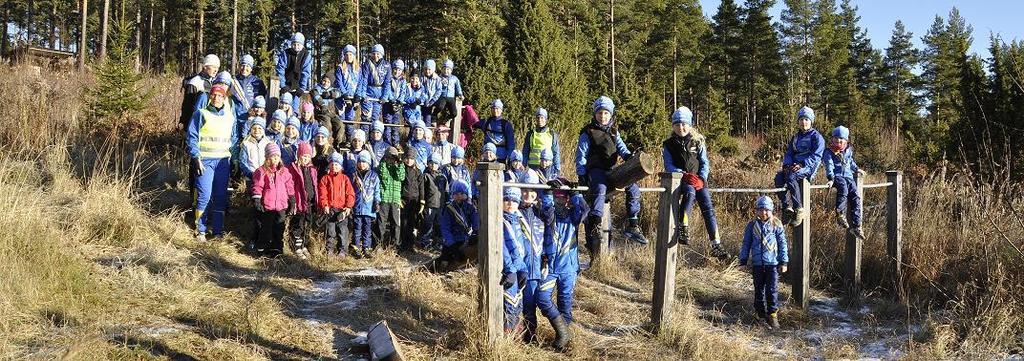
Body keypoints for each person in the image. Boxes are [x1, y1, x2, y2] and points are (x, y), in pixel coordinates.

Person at [575, 96, 647, 248]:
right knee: (600, 189)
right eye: (600, 113)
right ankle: (596, 224)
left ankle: (632, 224)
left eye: (606, 113)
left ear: (611, 114)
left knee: (633, 187)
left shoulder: (614, 131)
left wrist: (629, 157)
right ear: (595, 114)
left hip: (611, 169)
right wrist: (581, 174)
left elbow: (621, 148)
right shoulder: (588, 132)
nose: (603, 116)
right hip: (595, 169)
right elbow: (581, 155)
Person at [662, 107, 728, 258]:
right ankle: (683, 226)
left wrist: (702, 178)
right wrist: (683, 175)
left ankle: (716, 243)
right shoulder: (669, 144)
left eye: (684, 124)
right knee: (689, 193)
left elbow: (704, 162)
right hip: (682, 181)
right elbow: (668, 164)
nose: (681, 127)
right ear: (673, 126)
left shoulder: (698, 141)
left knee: (708, 208)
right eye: (677, 124)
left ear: (690, 124)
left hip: (698, 180)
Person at [186, 83, 238, 242]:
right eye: (214, 95)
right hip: (205, 162)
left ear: (224, 99)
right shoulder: (201, 114)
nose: (217, 98)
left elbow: (234, 139)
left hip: (223, 162)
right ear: (210, 97)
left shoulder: (230, 117)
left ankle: (217, 232)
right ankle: (200, 230)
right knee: (204, 196)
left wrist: (234, 158)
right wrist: (196, 157)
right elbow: (192, 137)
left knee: (220, 197)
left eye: (220, 96)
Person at [738, 196, 789, 330]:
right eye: (760, 209)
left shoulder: (776, 224)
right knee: (758, 290)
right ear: (756, 210)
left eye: (766, 210)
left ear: (771, 210)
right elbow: (746, 243)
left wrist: (783, 261)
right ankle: (760, 315)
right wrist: (743, 260)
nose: (763, 213)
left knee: (772, 290)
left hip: (772, 264)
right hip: (757, 264)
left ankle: (772, 315)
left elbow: (782, 244)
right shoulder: (752, 225)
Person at [775, 106, 825, 226]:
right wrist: (786, 164)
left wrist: (802, 164)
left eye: (806, 119)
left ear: (811, 121)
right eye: (801, 119)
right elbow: (789, 153)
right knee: (779, 178)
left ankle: (799, 209)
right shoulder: (795, 137)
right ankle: (787, 207)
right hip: (793, 165)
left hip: (808, 166)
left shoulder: (816, 136)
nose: (804, 122)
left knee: (791, 177)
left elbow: (817, 156)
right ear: (798, 121)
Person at [547, 184, 588, 327]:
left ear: (567, 199)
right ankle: (560, 328)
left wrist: (577, 195)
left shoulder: (572, 215)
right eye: (556, 197)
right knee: (543, 298)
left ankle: (565, 334)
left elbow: (584, 211)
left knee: (565, 301)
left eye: (562, 197)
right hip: (550, 267)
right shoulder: (549, 214)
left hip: (569, 267)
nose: (559, 200)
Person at [252, 142, 295, 257]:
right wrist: (257, 198)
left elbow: (289, 186)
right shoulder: (261, 171)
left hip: (281, 206)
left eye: (277, 156)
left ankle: (277, 249)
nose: (275, 159)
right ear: (267, 157)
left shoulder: (284, 171)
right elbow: (258, 186)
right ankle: (262, 248)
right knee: (266, 228)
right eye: (272, 156)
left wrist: (292, 198)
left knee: (279, 228)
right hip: (268, 206)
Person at [823, 126, 865, 239]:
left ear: (846, 140)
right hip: (837, 176)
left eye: (841, 138)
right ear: (832, 139)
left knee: (856, 197)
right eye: (836, 138)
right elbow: (829, 165)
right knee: (843, 188)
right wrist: (831, 178)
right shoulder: (829, 152)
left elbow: (850, 162)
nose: (838, 141)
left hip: (849, 177)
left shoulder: (848, 151)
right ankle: (840, 214)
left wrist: (856, 169)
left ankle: (856, 226)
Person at [434, 179, 478, 270]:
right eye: (456, 194)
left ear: (466, 194)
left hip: (466, 238)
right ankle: (441, 270)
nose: (459, 196)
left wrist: (475, 233)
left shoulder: (471, 208)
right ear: (452, 195)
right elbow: (445, 228)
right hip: (453, 240)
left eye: (462, 194)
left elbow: (476, 222)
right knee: (445, 259)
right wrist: (452, 245)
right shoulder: (449, 209)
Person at [500, 187, 527, 334]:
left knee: (518, 301)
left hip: (518, 267)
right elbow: (502, 248)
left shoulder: (517, 220)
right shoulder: (500, 220)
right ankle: (506, 335)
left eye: (514, 201)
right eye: (507, 200)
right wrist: (510, 269)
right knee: (509, 302)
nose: (510, 203)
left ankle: (516, 334)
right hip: (507, 269)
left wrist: (523, 269)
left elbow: (520, 249)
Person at [318, 152, 355, 258]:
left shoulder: (345, 179)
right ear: (329, 165)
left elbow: (350, 194)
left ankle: (343, 250)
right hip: (330, 209)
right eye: (332, 164)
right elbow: (322, 193)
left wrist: (348, 206)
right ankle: (330, 249)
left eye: (337, 164)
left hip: (342, 210)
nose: (334, 166)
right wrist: (325, 205)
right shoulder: (325, 179)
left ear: (341, 166)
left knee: (343, 231)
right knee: (331, 231)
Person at [287, 142, 318, 260]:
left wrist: (316, 200)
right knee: (298, 224)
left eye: (308, 157)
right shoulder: (293, 168)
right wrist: (292, 200)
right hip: (299, 202)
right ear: (299, 155)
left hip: (310, 202)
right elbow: (290, 185)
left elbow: (314, 185)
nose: (305, 159)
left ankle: (304, 244)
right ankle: (297, 246)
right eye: (303, 156)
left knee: (308, 224)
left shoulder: (312, 169)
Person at [351, 151, 380, 258]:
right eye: (360, 162)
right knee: (357, 228)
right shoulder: (354, 175)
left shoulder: (374, 176)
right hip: (357, 207)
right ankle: (356, 248)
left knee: (367, 229)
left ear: (368, 163)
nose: (362, 164)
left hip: (369, 208)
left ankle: (367, 248)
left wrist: (377, 202)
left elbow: (377, 191)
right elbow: (351, 191)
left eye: (364, 162)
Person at [180, 54, 219, 131]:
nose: (216, 70)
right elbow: (187, 105)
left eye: (217, 67)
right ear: (205, 67)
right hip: (194, 122)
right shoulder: (195, 82)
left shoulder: (214, 82)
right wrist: (185, 124)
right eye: (213, 67)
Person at [377, 146, 405, 250]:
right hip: (384, 198)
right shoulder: (382, 166)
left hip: (395, 199)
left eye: (393, 158)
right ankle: (379, 244)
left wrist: (399, 163)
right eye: (388, 157)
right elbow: (383, 174)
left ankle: (395, 246)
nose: (391, 160)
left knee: (396, 224)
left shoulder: (399, 167)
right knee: (381, 223)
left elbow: (401, 176)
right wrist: (384, 161)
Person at [276, 32, 312, 111]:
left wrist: (302, 87)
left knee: (294, 108)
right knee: (284, 106)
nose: (296, 46)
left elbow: (306, 72)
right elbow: (280, 69)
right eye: (294, 44)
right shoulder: (286, 53)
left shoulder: (306, 55)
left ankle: (293, 119)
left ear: (302, 45)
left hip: (298, 85)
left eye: (298, 44)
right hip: (286, 84)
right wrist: (283, 85)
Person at [358, 44, 390, 126]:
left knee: (375, 119)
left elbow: (387, 83)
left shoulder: (387, 65)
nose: (376, 56)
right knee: (366, 118)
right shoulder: (367, 64)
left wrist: (385, 96)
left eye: (378, 53)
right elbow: (364, 79)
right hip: (368, 93)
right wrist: (363, 94)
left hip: (379, 96)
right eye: (374, 53)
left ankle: (373, 138)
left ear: (382, 54)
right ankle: (364, 138)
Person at [400, 148, 425, 253]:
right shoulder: (401, 169)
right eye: (407, 158)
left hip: (415, 201)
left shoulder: (418, 172)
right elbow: (399, 184)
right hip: (404, 200)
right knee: (403, 223)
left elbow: (421, 187)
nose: (409, 161)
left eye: (411, 158)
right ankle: (402, 245)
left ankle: (411, 245)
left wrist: (422, 200)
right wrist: (399, 198)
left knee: (412, 223)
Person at [334, 45, 360, 141]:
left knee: (350, 119)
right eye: (347, 54)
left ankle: (349, 139)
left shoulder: (358, 69)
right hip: (342, 98)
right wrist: (344, 95)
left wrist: (358, 96)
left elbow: (360, 83)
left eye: (351, 54)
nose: (349, 57)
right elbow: (339, 82)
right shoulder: (340, 68)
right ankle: (339, 140)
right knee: (341, 120)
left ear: (354, 56)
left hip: (353, 98)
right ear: (344, 56)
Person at [523, 107, 561, 174]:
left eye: (542, 117)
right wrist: (523, 165)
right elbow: (525, 152)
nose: (539, 120)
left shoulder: (552, 134)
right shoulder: (530, 134)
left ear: (546, 119)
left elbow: (556, 153)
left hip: (547, 168)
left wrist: (557, 169)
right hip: (532, 167)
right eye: (538, 117)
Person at [419, 153, 444, 249]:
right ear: (428, 164)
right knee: (428, 224)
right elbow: (422, 190)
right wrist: (422, 202)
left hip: (440, 205)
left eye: (436, 163)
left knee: (438, 224)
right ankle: (425, 242)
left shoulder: (442, 177)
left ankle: (438, 242)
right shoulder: (425, 176)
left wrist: (445, 203)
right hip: (429, 204)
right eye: (431, 163)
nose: (433, 165)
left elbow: (445, 191)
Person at [311, 73, 344, 145]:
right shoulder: (317, 88)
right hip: (322, 112)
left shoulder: (332, 89)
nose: (325, 83)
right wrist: (322, 105)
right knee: (327, 125)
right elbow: (316, 96)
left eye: (328, 82)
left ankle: (337, 143)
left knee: (340, 124)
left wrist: (330, 94)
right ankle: (327, 143)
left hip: (332, 112)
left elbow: (339, 93)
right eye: (324, 81)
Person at [382, 59, 407, 145]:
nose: (397, 71)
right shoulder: (389, 78)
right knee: (388, 124)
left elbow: (403, 91)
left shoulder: (403, 80)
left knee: (395, 125)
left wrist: (400, 101)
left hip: (398, 106)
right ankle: (387, 143)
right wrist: (391, 99)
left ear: (402, 71)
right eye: (395, 69)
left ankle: (396, 143)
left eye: (399, 70)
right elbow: (387, 89)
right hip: (388, 104)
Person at [432, 59, 463, 126]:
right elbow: (434, 86)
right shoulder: (439, 78)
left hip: (451, 97)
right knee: (440, 107)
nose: (446, 71)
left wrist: (460, 94)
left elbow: (458, 87)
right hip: (442, 96)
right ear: (442, 70)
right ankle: (434, 116)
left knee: (454, 113)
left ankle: (447, 120)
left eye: (448, 69)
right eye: (444, 69)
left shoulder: (454, 78)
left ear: (451, 70)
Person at [420, 59, 443, 126]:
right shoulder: (421, 78)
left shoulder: (437, 79)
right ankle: (422, 133)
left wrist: (432, 100)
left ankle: (428, 133)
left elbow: (439, 90)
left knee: (428, 117)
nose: (427, 71)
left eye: (429, 69)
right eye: (426, 69)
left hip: (433, 100)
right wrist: (425, 99)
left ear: (433, 69)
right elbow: (420, 89)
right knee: (423, 118)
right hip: (423, 101)